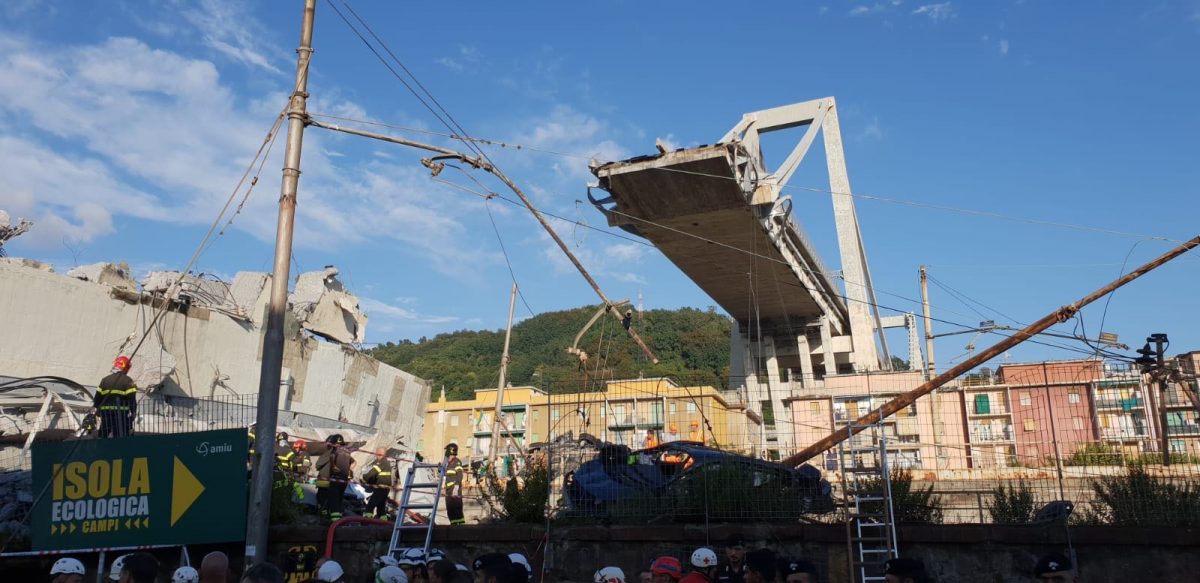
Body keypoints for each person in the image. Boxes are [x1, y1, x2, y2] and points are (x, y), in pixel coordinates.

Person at [95, 355, 138, 438]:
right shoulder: (128, 380)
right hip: (120, 414)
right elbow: (131, 398)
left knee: (104, 433)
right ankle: (120, 449)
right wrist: (133, 411)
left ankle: (101, 448)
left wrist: (97, 409)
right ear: (126, 367)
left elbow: (98, 397)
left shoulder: (105, 380)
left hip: (106, 413)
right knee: (121, 434)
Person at [316, 434, 352, 520]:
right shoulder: (345, 452)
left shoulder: (330, 452)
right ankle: (334, 518)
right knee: (335, 501)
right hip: (339, 481)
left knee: (322, 500)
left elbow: (318, 465)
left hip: (325, 481)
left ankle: (325, 516)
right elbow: (353, 462)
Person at [362, 448, 395, 519]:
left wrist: (364, 477)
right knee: (381, 508)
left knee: (370, 506)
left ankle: (366, 522)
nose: (377, 456)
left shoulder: (382, 462)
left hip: (381, 488)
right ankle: (383, 524)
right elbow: (377, 476)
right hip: (385, 489)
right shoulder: (386, 462)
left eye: (378, 454)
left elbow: (371, 474)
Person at [444, 443, 465, 525]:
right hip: (448, 490)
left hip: (455, 489)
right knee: (450, 508)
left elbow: (460, 475)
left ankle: (461, 526)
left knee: (457, 508)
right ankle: (453, 525)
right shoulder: (448, 463)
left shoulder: (457, 462)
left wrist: (456, 488)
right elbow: (445, 474)